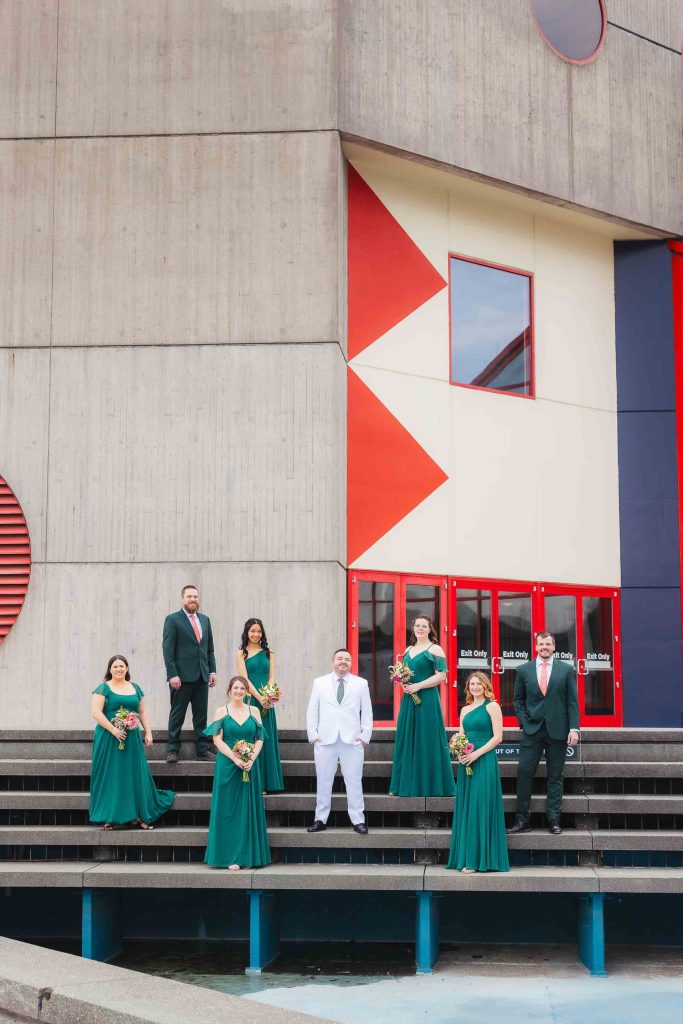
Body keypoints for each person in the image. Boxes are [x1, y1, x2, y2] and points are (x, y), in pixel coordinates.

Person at [507, 630, 580, 836]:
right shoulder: (524, 670)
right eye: (541, 644)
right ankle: (522, 819)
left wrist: (574, 728)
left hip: (558, 730)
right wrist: (523, 721)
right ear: (536, 646)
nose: (544, 648)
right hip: (532, 730)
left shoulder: (566, 670)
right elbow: (517, 700)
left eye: (548, 644)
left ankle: (554, 820)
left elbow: (572, 702)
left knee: (555, 776)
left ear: (554, 646)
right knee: (524, 772)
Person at [89, 655, 174, 830]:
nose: (119, 669)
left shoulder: (135, 688)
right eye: (115, 666)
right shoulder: (103, 688)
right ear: (110, 670)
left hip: (132, 739)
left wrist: (148, 732)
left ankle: (137, 814)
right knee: (111, 776)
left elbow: (142, 712)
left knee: (132, 775)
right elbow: (96, 712)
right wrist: (113, 729)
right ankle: (110, 816)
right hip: (109, 738)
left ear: (127, 669)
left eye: (122, 666)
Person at [204, 675, 271, 870]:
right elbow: (217, 740)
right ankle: (228, 856)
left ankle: (248, 855)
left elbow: (259, 738)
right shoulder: (221, 711)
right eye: (236, 688)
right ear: (229, 690)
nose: (239, 691)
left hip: (250, 765)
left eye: (242, 688)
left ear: (247, 692)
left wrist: (251, 758)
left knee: (248, 809)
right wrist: (235, 758)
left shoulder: (255, 711)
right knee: (228, 810)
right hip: (227, 765)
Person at [446, 671, 509, 873]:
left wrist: (477, 754)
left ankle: (478, 860)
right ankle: (465, 857)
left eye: (478, 684)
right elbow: (461, 735)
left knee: (481, 805)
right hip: (467, 761)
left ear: (485, 686)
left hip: (484, 759)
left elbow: (498, 737)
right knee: (468, 807)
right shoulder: (464, 710)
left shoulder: (492, 706)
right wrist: (459, 750)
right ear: (468, 688)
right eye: (472, 684)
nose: (475, 687)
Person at [306, 648, 373, 834]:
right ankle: (320, 819)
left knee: (354, 781)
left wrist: (364, 735)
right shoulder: (319, 683)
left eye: (347, 659)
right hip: (324, 739)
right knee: (323, 781)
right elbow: (312, 709)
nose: (343, 661)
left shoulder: (361, 684)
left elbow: (367, 711)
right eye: (340, 658)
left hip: (352, 740)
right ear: (332, 661)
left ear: (351, 663)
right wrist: (313, 735)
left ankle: (358, 820)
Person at [389, 614, 455, 797]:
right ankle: (403, 786)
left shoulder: (436, 649)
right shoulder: (409, 649)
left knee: (427, 739)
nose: (420, 628)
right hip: (409, 699)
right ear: (414, 628)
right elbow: (403, 674)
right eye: (417, 625)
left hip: (427, 699)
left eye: (424, 626)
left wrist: (418, 685)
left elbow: (442, 675)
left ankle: (429, 785)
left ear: (429, 629)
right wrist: (402, 683)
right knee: (406, 738)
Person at [162, 585, 217, 763]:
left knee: (201, 715)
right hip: (181, 678)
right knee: (177, 714)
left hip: (202, 676)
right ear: (182, 599)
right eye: (189, 596)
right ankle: (172, 749)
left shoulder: (205, 620)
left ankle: (203, 749)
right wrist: (172, 674)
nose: (193, 599)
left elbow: (209, 649)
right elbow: (167, 650)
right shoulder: (172, 620)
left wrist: (212, 670)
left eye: (195, 596)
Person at [236, 618, 283, 793]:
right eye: (252, 631)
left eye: (259, 631)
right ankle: (256, 782)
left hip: (267, 702)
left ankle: (269, 782)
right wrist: (259, 697)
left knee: (267, 738)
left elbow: (271, 677)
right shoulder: (241, 653)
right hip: (251, 700)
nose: (256, 634)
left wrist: (269, 696)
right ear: (247, 632)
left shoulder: (269, 652)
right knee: (253, 738)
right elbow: (244, 678)